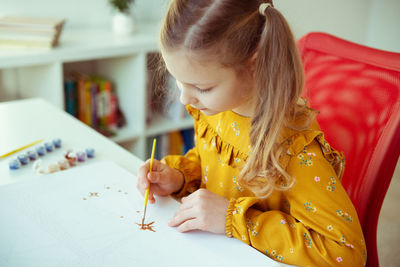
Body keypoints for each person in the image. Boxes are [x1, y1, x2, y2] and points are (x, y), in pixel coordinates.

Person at [137, 0, 367, 266]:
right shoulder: (218, 107)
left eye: (202, 87)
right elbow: (215, 168)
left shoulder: (294, 150)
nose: (185, 99)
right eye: (178, 81)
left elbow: (347, 252)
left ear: (254, 63)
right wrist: (177, 177)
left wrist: (235, 218)